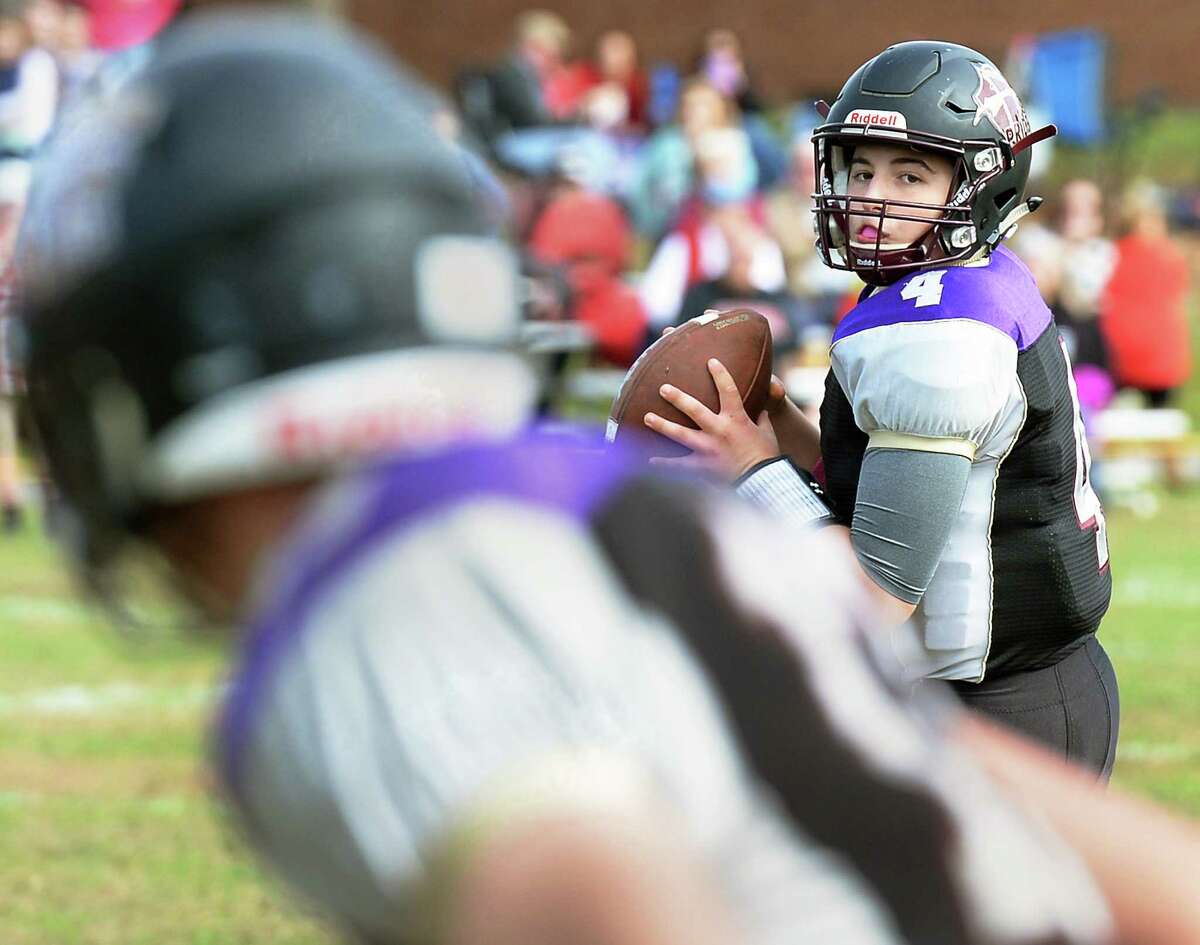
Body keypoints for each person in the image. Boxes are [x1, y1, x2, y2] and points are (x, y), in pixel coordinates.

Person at [19, 14, 1200, 945]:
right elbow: (972, 799)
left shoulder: (372, 630)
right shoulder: (607, 507)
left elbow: (599, 892)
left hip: (1002, 676)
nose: (876, 195)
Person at [646, 41, 1118, 779]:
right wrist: (783, 428)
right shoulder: (962, 273)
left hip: (996, 710)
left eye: (909, 173)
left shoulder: (939, 336)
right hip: (1017, 686)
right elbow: (884, 472)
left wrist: (752, 468)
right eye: (861, 169)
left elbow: (876, 592)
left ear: (979, 184)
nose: (871, 195)